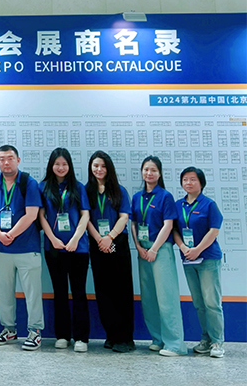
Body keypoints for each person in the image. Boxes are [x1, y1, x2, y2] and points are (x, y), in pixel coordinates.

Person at [0, 145, 44, 351]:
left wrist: (11, 234)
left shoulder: (29, 182)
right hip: (1, 248)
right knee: (3, 291)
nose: (6, 162)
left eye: (10, 158)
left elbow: (32, 214)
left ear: (18, 160)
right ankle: (9, 329)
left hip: (27, 247)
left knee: (32, 292)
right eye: (2, 159)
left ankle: (35, 331)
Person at [131, 155, 185, 356]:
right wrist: (138, 246)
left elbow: (168, 225)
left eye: (153, 170)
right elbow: (133, 224)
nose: (149, 173)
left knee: (166, 297)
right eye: (146, 169)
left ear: (160, 173)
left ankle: (175, 344)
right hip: (143, 250)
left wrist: (154, 249)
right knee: (149, 297)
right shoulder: (137, 197)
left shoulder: (165, 196)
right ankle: (157, 338)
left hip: (160, 249)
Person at [38, 148, 90, 352]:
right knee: (59, 292)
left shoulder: (78, 187)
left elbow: (85, 215)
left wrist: (76, 239)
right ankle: (62, 335)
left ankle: (81, 338)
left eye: (64, 164)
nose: (61, 168)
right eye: (57, 164)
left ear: (70, 166)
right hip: (54, 248)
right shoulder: (43, 187)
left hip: (78, 248)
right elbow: (41, 216)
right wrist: (53, 239)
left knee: (79, 292)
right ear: (51, 166)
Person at [85, 151, 135, 353]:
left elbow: (124, 217)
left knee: (121, 289)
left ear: (109, 168)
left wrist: (109, 237)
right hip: (97, 243)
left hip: (116, 242)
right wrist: (99, 239)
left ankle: (126, 338)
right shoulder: (86, 191)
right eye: (96, 165)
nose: (99, 169)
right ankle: (111, 335)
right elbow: (85, 218)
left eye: (103, 166)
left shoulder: (119, 190)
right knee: (103, 289)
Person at [173, 167, 225, 358]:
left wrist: (197, 249)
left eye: (193, 179)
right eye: (185, 179)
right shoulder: (178, 205)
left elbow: (214, 230)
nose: (188, 183)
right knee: (199, 303)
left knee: (212, 302)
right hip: (188, 259)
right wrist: (183, 247)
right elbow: (174, 230)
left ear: (201, 183)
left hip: (208, 258)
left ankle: (217, 342)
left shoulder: (208, 204)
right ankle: (206, 339)